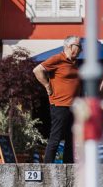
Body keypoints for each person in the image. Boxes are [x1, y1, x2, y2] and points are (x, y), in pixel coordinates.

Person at [34, 36, 81, 164]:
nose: (80, 49)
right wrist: (47, 86)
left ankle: (69, 167)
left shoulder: (74, 63)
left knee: (71, 139)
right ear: (69, 46)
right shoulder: (58, 58)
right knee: (56, 137)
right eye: (78, 46)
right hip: (60, 104)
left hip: (73, 106)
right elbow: (37, 70)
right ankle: (47, 167)